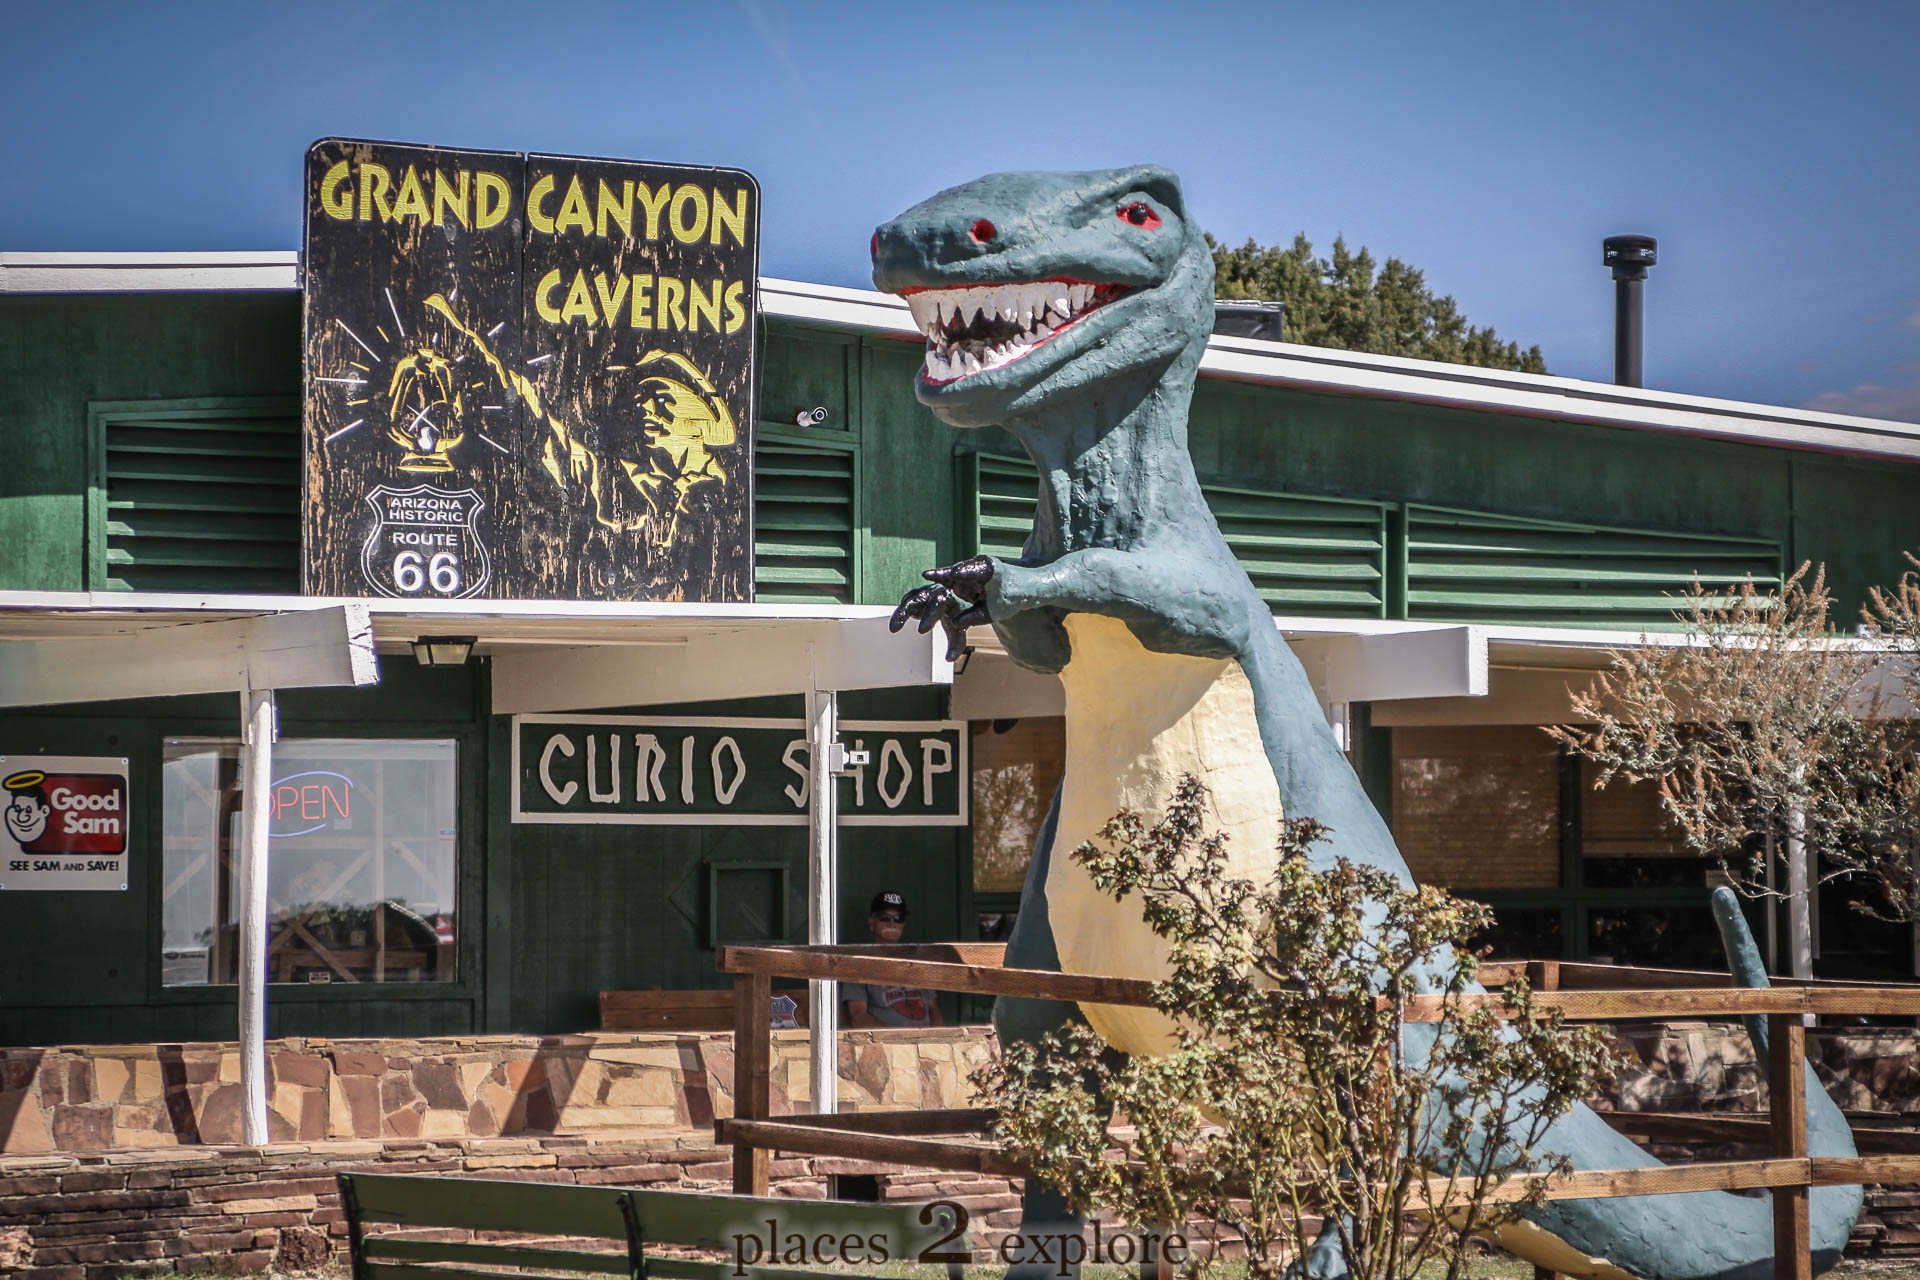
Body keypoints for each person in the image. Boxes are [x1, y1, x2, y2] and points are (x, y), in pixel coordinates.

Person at [842, 890, 943, 1028]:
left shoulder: (917, 960)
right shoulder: (857, 963)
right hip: (886, 1040)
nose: (892, 923)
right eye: (884, 917)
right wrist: (893, 1039)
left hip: (927, 1040)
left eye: (898, 918)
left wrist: (935, 1036)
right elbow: (858, 1016)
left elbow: (933, 1007)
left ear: (903, 924)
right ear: (872, 923)